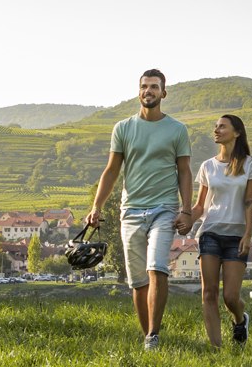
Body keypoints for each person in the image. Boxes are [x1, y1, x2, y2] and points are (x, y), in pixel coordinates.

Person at [84, 68, 194, 350]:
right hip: (130, 211)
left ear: (163, 93)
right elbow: (111, 171)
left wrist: (186, 210)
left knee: (157, 267)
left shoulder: (177, 130)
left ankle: (154, 334)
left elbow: (184, 172)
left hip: (164, 209)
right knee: (137, 281)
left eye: (154, 87)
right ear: (139, 91)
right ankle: (148, 335)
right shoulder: (123, 128)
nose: (149, 91)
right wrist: (96, 206)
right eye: (144, 86)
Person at [188, 114, 252, 347]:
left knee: (230, 297)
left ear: (237, 133)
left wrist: (248, 235)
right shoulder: (207, 166)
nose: (216, 130)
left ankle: (240, 319)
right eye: (215, 127)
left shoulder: (250, 164)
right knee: (209, 294)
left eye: (222, 127)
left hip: (236, 236)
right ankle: (216, 350)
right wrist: (185, 219)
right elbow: (200, 206)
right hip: (209, 233)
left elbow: (249, 202)